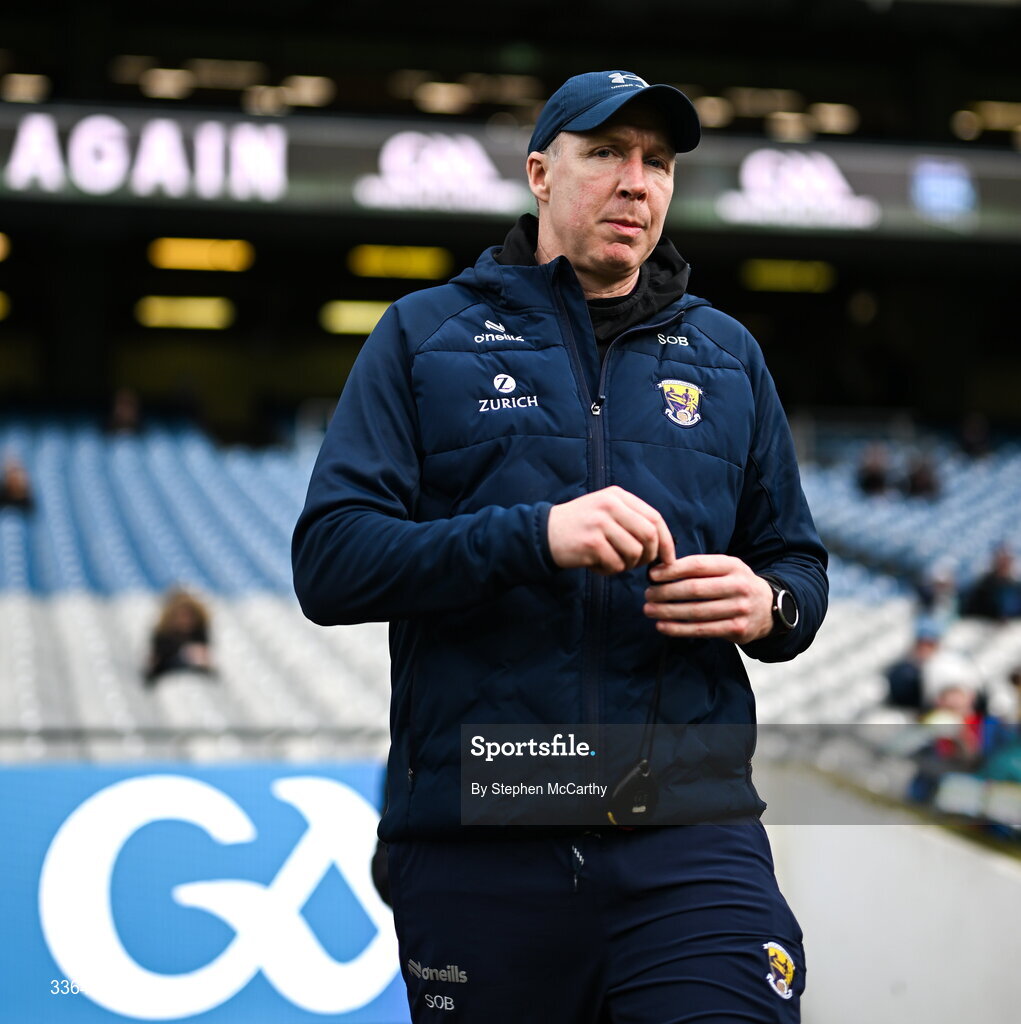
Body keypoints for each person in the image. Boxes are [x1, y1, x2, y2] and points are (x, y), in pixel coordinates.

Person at [293, 70, 828, 1023]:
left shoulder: (729, 355)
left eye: (656, 162)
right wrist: (535, 536)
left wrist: (770, 605)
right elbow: (330, 561)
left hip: (688, 829)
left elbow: (796, 563)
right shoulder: (421, 335)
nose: (636, 183)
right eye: (606, 155)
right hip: (484, 824)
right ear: (540, 173)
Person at [144, 587, 215, 684]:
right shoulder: (162, 635)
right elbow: (155, 664)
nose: (185, 620)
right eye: (181, 616)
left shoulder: (199, 632)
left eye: (188, 616)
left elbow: (205, 660)